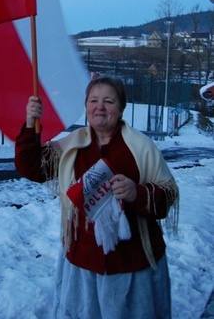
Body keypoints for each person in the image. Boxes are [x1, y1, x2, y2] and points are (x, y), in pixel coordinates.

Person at [15, 76, 179, 319]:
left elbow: (168, 194)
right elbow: (31, 167)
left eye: (108, 101)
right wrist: (30, 124)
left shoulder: (141, 146)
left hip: (133, 265)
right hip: (83, 261)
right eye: (93, 100)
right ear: (86, 107)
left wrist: (138, 192)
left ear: (121, 108)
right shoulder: (73, 144)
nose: (100, 106)